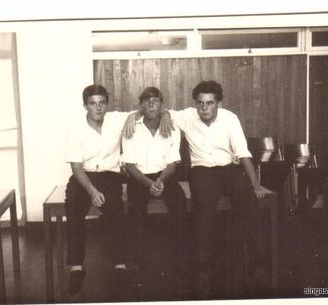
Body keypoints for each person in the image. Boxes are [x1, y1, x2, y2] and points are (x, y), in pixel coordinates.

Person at [161, 80, 273, 298]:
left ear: (218, 103)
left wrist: (256, 185)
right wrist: (165, 115)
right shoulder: (188, 116)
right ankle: (202, 269)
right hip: (202, 172)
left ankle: (258, 265)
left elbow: (243, 153)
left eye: (210, 103)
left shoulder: (230, 119)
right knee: (204, 212)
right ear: (196, 103)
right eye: (200, 103)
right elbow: (167, 112)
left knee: (250, 205)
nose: (204, 108)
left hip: (229, 170)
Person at [64, 84, 145, 295]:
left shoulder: (116, 119)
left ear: (106, 104)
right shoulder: (76, 130)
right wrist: (91, 191)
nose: (98, 108)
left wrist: (131, 117)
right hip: (84, 176)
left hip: (110, 175)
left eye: (101, 103)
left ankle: (120, 265)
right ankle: (76, 267)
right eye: (92, 104)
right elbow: (76, 167)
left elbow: (143, 110)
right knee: (73, 206)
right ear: (85, 106)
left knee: (116, 209)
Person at [122, 87, 186, 295]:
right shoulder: (132, 127)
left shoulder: (171, 128)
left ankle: (180, 260)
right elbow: (130, 166)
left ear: (161, 104)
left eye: (155, 101)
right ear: (141, 105)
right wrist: (148, 184)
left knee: (179, 204)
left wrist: (160, 180)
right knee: (136, 212)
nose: (151, 104)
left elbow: (173, 163)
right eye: (147, 101)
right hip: (139, 177)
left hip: (164, 175)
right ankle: (137, 264)